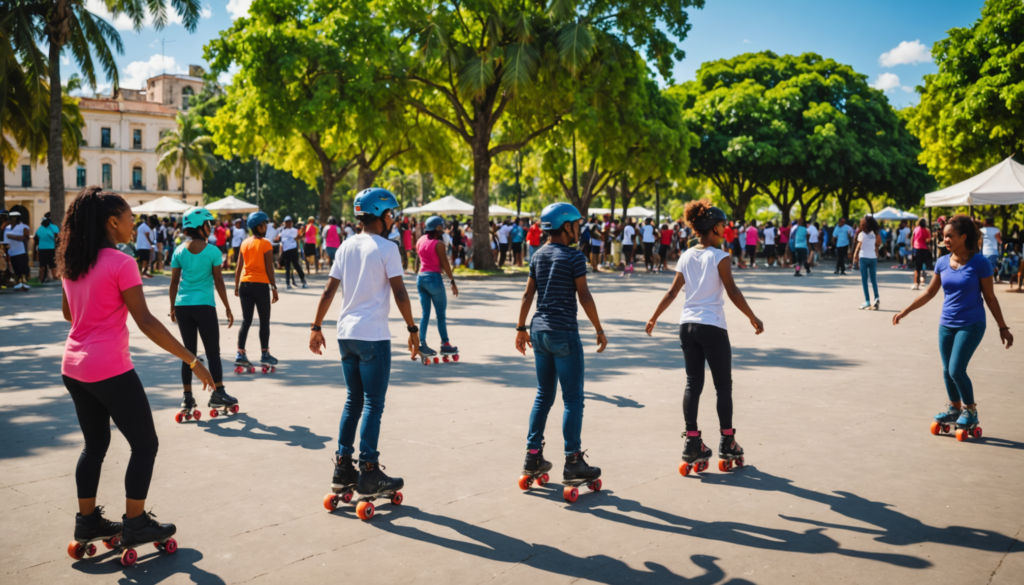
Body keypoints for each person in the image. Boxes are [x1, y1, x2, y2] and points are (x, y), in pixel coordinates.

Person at [58, 186, 214, 563]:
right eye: (130, 218)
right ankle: (136, 523)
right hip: (108, 367)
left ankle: (87, 522)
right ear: (113, 222)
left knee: (94, 446)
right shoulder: (121, 262)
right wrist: (193, 360)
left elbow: (68, 313)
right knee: (145, 445)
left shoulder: (74, 260)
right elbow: (145, 320)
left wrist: (92, 313)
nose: (134, 223)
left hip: (74, 367)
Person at [309, 188, 419, 509]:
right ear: (381, 215)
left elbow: (329, 291)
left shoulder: (345, 246)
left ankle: (343, 468)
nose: (393, 219)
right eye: (391, 214)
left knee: (353, 400)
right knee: (373, 403)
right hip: (373, 336)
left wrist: (316, 326)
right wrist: (413, 329)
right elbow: (400, 293)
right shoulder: (387, 248)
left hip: (346, 335)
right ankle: (369, 471)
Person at [645, 200, 764, 475]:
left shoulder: (686, 255)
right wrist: (752, 316)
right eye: (722, 224)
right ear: (713, 227)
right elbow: (732, 291)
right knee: (723, 386)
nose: (725, 228)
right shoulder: (720, 257)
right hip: (712, 326)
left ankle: (692, 442)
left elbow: (673, 292)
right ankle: (728, 441)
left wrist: (654, 316)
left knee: (693, 384)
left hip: (687, 326)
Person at [515, 202, 607, 495]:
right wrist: (599, 329)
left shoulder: (537, 255)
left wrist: (520, 328)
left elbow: (528, 294)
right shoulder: (574, 257)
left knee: (543, 395)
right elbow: (585, 296)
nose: (580, 228)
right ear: (566, 226)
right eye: (577, 224)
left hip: (539, 331)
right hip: (564, 333)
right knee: (573, 399)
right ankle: (573, 461)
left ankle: (532, 457)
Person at [894, 214, 1013, 439]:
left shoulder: (980, 263)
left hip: (972, 324)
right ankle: (955, 408)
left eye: (950, 236)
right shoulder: (942, 262)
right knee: (946, 370)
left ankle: (971, 410)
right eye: (944, 236)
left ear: (964, 237)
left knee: (956, 369)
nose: (945, 239)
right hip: (946, 324)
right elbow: (930, 292)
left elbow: (990, 297)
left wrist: (1003, 327)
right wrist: (906, 310)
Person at [169, 208, 238, 418]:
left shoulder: (179, 251)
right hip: (204, 306)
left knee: (188, 354)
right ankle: (218, 393)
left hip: (183, 306)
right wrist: (227, 307)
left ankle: (187, 397)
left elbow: (174, 282)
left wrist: (172, 306)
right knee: (212, 352)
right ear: (201, 227)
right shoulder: (213, 252)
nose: (211, 228)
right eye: (209, 224)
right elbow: (218, 280)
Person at [235, 211, 280, 372]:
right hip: (260, 285)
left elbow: (239, 267)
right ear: (258, 226)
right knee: (264, 321)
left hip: (245, 285)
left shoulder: (244, 243)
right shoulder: (266, 244)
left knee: (246, 320)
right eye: (264, 224)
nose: (266, 226)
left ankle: (240, 353)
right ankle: (265, 353)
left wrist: (236, 286)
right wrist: (274, 288)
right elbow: (269, 269)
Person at [415, 215, 460, 358]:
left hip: (421, 278)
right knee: (441, 315)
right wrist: (452, 281)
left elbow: (421, 258)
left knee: (425, 314)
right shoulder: (439, 244)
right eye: (442, 227)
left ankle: (422, 344)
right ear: (438, 227)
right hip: (434, 279)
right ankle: (445, 344)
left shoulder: (420, 240)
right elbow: (445, 263)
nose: (443, 229)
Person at [852, 215, 882, 310]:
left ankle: (867, 301)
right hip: (873, 258)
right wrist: (875, 249)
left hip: (863, 258)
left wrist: (855, 256)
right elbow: (878, 244)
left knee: (864, 280)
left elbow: (859, 246)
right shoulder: (875, 234)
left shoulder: (861, 234)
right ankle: (876, 297)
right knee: (873, 280)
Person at [276, 216, 307, 289]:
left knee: (296, 265)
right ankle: (288, 283)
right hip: (286, 251)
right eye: (287, 222)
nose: (288, 223)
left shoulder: (295, 230)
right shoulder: (282, 231)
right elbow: (278, 239)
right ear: (285, 223)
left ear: (292, 223)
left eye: (289, 222)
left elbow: (299, 236)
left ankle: (303, 281)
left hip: (293, 250)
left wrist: (302, 232)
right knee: (287, 267)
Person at [5, 211, 31, 289]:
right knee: (15, 268)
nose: (12, 219)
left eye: (14, 217)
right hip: (11, 251)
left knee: (22, 268)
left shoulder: (24, 226)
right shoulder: (7, 227)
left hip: (20, 251)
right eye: (11, 217)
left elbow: (24, 237)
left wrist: (11, 236)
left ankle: (24, 282)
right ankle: (19, 283)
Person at [33, 212, 59, 283]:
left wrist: (38, 246)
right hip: (51, 248)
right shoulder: (54, 227)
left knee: (42, 265)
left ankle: (41, 279)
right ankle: (55, 278)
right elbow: (57, 237)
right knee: (52, 264)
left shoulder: (40, 228)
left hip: (42, 249)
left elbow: (35, 238)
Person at [912, 218, 933, 290]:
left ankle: (916, 284)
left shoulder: (916, 229)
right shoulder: (927, 230)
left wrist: (912, 247)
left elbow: (912, 238)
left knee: (916, 268)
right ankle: (922, 281)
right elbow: (929, 240)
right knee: (923, 267)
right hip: (924, 249)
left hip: (916, 249)